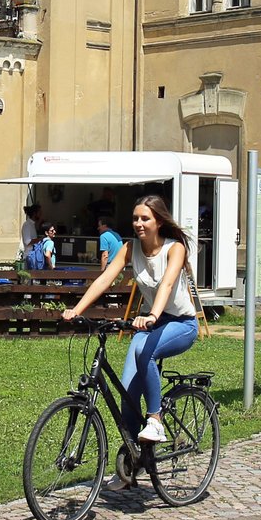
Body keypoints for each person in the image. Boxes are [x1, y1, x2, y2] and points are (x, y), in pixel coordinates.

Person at [62, 195, 200, 481]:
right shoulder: (130, 248)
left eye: (145, 218)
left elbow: (168, 283)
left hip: (181, 324)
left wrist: (152, 315)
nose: (138, 223)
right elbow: (104, 279)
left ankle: (156, 420)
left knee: (144, 353)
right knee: (126, 395)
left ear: (159, 221)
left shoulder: (175, 249)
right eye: (135, 218)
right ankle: (135, 459)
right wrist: (77, 309)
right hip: (154, 322)